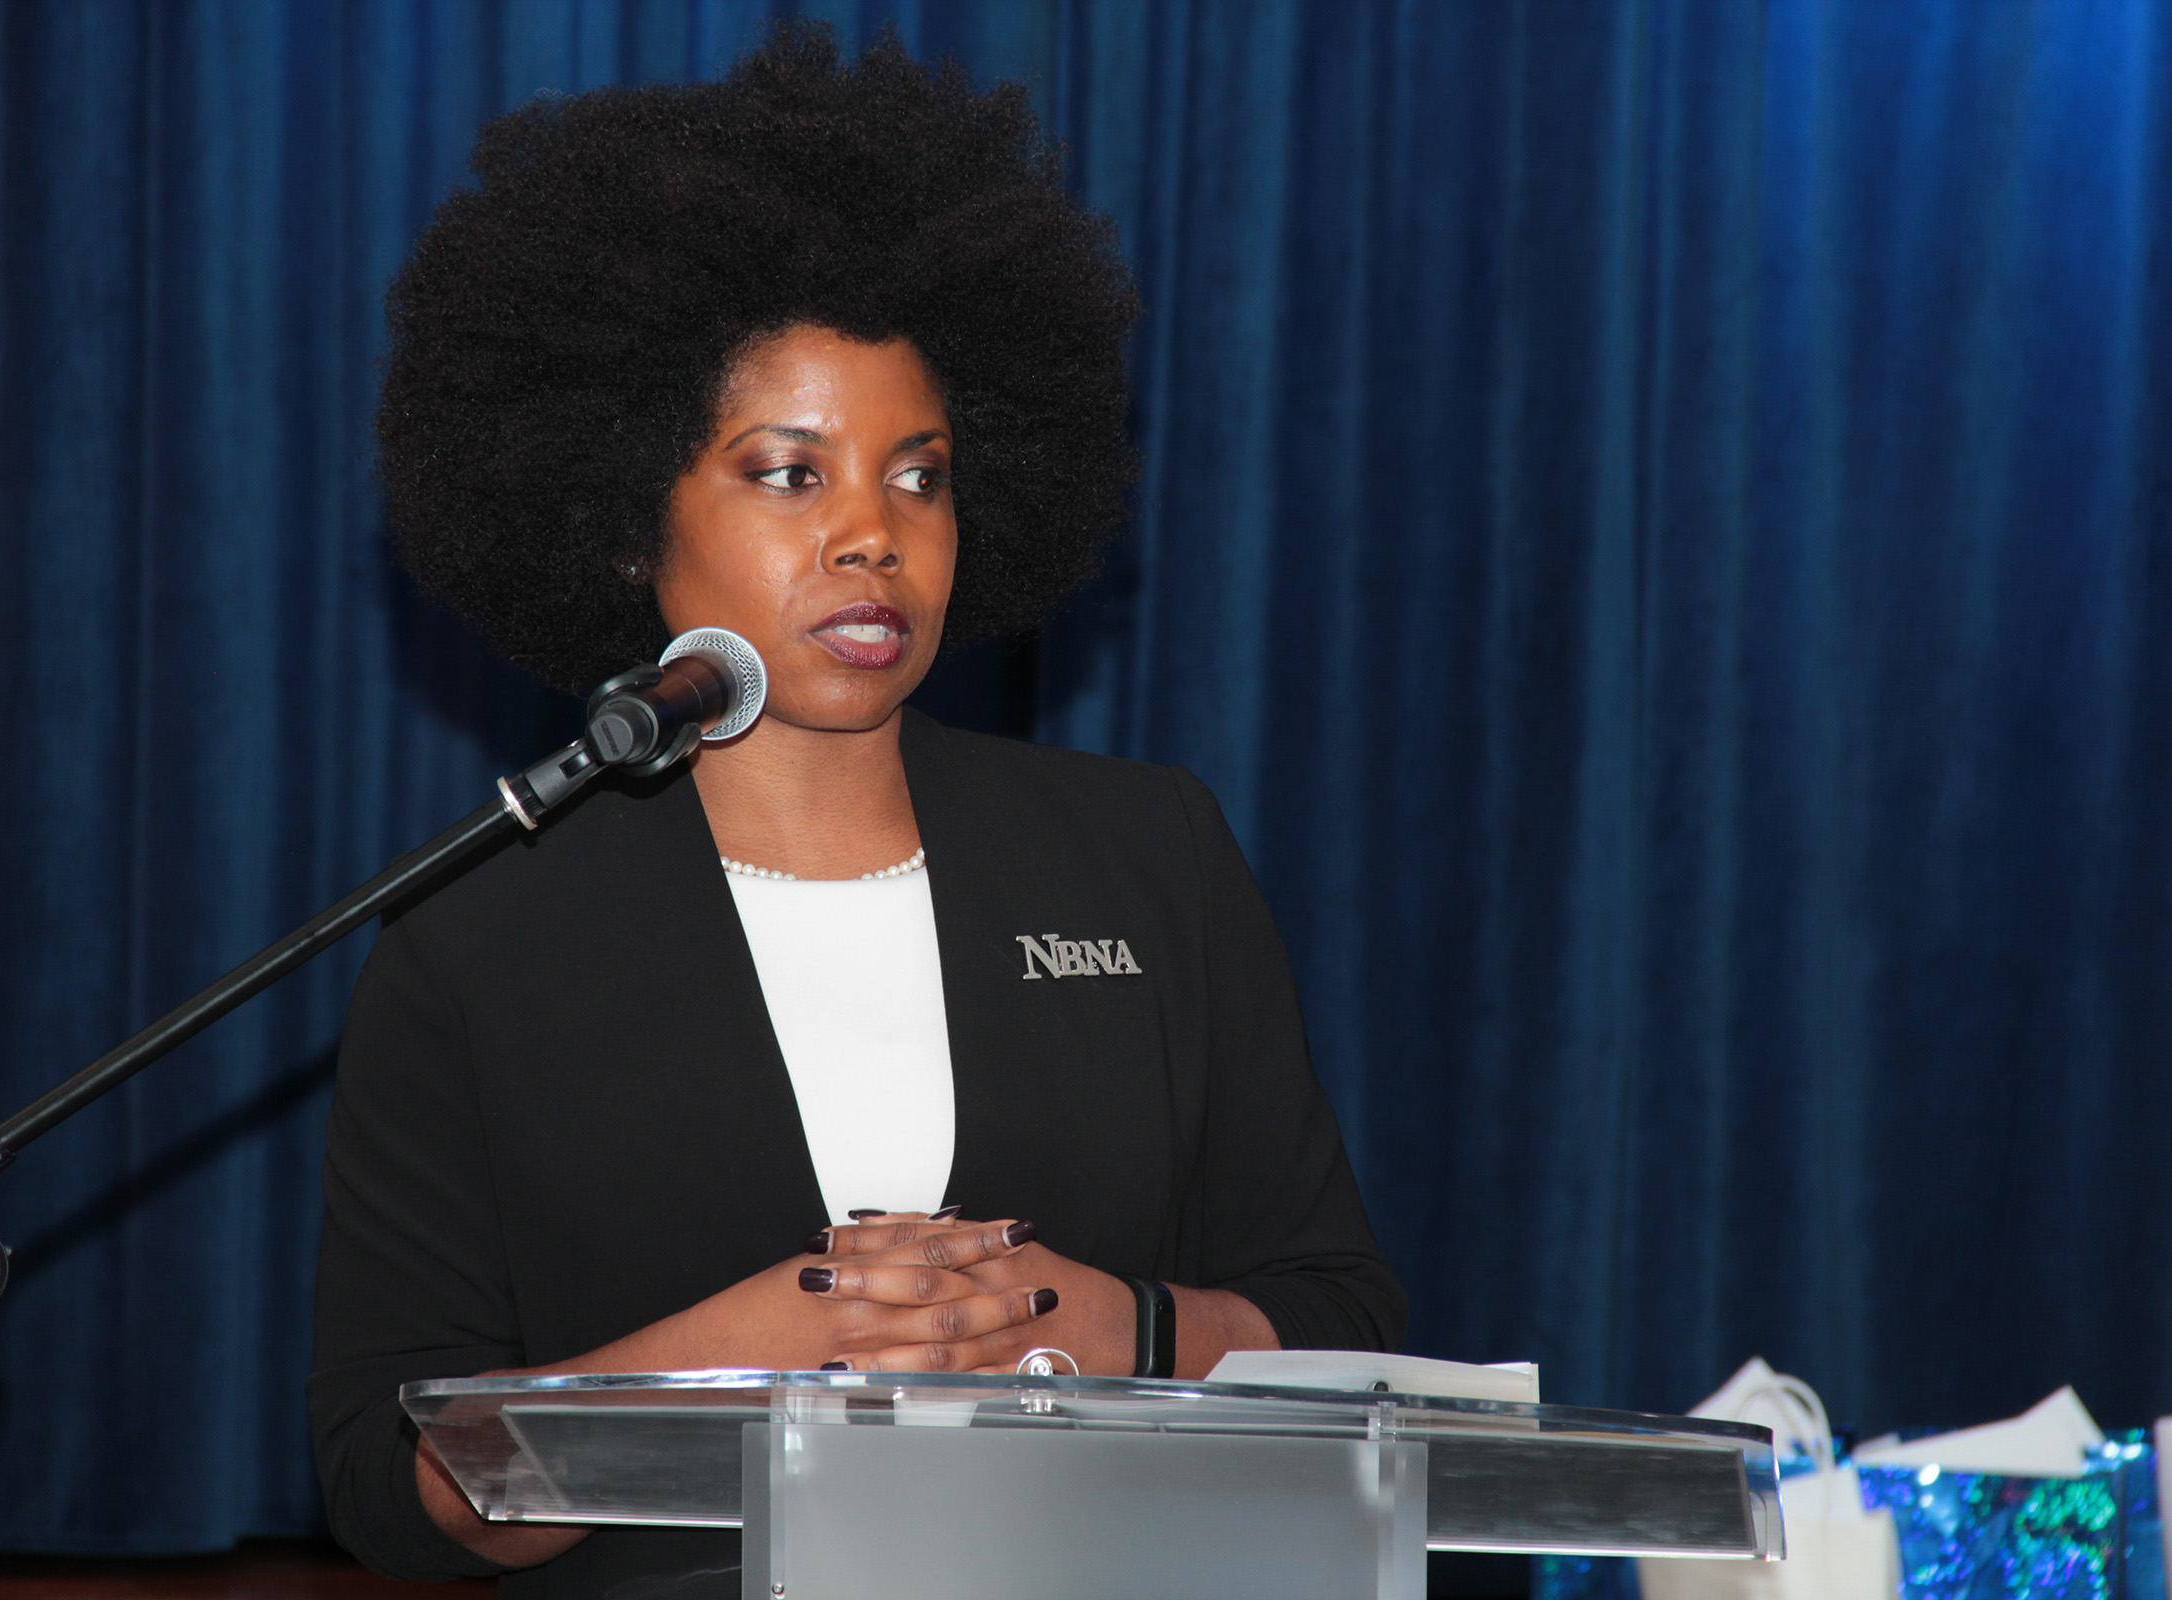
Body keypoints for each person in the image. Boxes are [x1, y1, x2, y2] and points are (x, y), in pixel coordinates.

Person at [308, 26, 1407, 1599]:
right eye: (788, 473)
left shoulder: (1146, 852)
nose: (872, 537)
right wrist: (750, 1355)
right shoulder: (479, 935)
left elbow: (1346, 1318)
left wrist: (1121, 1327)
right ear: (624, 519)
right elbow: (391, 1482)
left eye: (920, 475)